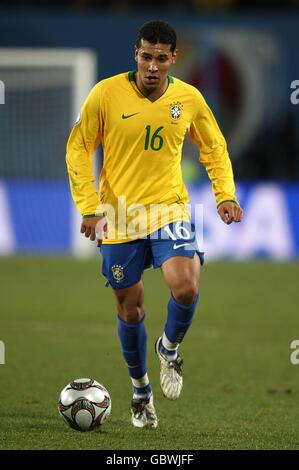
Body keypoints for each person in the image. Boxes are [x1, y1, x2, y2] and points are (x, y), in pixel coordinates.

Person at [66, 20, 243, 429]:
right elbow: (78, 149)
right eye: (146, 56)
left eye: (160, 58)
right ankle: (140, 390)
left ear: (173, 59)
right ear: (136, 54)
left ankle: (169, 349)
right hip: (118, 217)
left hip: (169, 209)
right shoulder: (105, 94)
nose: (152, 66)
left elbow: (214, 146)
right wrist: (89, 207)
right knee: (131, 310)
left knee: (186, 284)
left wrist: (225, 195)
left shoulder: (189, 98)